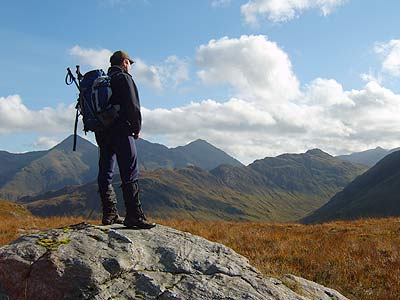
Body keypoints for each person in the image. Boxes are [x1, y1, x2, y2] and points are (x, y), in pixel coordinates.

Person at [95, 50, 156, 229]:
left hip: (102, 133)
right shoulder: (123, 78)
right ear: (124, 62)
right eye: (129, 62)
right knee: (129, 170)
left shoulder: (102, 82)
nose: (130, 66)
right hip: (121, 131)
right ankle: (134, 215)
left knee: (105, 170)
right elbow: (133, 105)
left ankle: (110, 213)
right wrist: (136, 128)